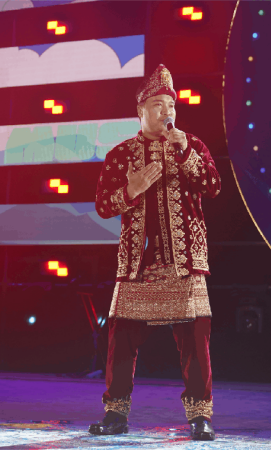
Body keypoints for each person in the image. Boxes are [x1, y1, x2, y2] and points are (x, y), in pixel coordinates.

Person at [88, 64, 220, 441]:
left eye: (171, 105)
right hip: (138, 264)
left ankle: (200, 417)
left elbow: (213, 185)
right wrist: (130, 191)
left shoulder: (191, 145)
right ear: (141, 111)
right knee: (121, 340)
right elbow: (102, 205)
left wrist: (186, 154)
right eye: (158, 105)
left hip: (185, 261)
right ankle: (115, 414)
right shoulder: (121, 155)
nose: (167, 111)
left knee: (195, 342)